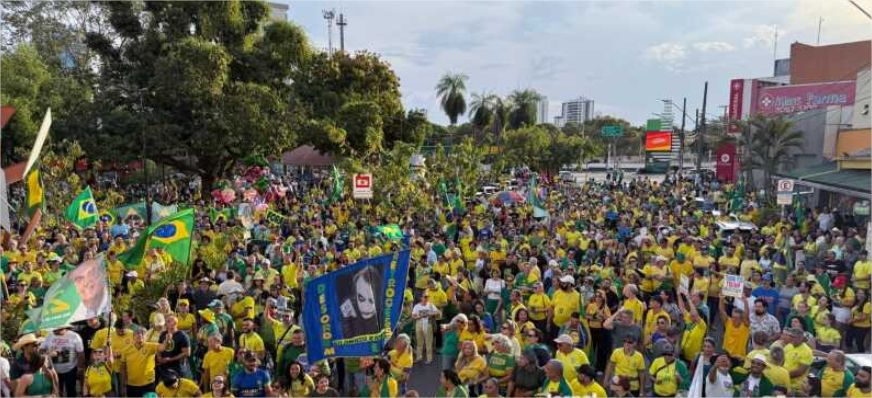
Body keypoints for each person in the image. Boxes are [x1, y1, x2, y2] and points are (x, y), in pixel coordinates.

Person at [39, 324, 84, 397]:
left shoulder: (75, 336)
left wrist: (80, 368)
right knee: (57, 391)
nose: (53, 331)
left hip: (70, 370)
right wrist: (48, 353)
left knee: (71, 391)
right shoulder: (49, 335)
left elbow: (81, 353)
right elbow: (41, 350)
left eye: (56, 329)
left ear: (63, 328)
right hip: (53, 370)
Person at [783, 327, 814, 394]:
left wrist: (783, 375)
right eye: (790, 336)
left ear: (800, 338)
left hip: (796, 387)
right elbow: (781, 360)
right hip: (784, 383)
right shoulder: (789, 346)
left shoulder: (806, 351)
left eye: (793, 337)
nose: (790, 338)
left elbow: (800, 371)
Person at [412, 292, 439, 364]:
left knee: (428, 342)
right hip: (419, 322)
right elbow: (413, 316)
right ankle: (419, 357)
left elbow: (437, 312)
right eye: (425, 297)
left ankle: (429, 359)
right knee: (419, 342)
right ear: (421, 298)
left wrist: (429, 313)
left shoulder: (430, 305)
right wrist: (420, 316)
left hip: (428, 323)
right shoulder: (417, 306)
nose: (426, 298)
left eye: (427, 297)